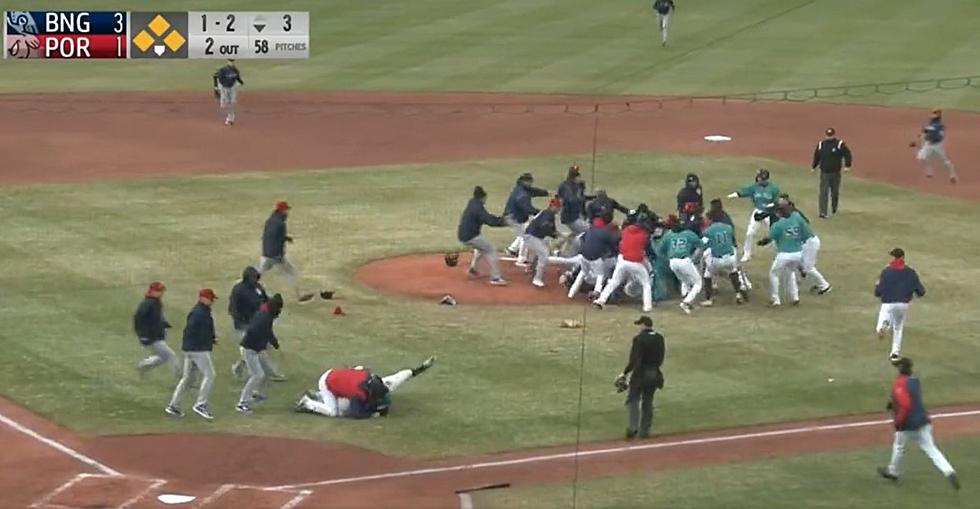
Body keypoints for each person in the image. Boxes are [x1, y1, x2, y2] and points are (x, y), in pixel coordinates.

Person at [878, 357, 959, 490]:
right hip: (923, 420)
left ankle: (893, 471)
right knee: (931, 449)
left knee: (899, 447)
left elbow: (905, 404)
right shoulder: (915, 381)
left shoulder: (899, 383)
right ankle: (948, 471)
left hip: (907, 423)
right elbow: (911, 398)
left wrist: (898, 421)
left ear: (900, 368)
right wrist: (893, 404)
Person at [295, 357, 436, 418]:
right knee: (335, 412)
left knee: (357, 371)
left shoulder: (377, 382)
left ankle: (319, 396)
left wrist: (422, 367)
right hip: (327, 383)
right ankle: (308, 402)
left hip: (337, 375)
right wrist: (374, 414)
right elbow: (356, 413)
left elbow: (402, 375)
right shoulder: (358, 394)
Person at [166, 289, 218, 420]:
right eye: (210, 299)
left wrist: (211, 338)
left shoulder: (202, 311)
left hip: (190, 349)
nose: (212, 301)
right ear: (203, 298)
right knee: (210, 375)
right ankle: (200, 404)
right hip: (197, 349)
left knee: (187, 378)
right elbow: (191, 330)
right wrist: (204, 341)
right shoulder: (198, 313)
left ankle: (173, 405)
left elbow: (205, 329)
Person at [229, 267, 286, 382]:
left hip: (259, 322)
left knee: (253, 349)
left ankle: (239, 367)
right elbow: (233, 308)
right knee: (256, 350)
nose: (256, 279)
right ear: (247, 277)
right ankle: (270, 374)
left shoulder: (258, 288)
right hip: (245, 324)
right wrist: (240, 323)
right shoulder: (238, 290)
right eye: (254, 277)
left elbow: (265, 300)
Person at [615, 316, 665, 439]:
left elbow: (635, 359)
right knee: (648, 402)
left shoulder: (639, 339)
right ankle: (645, 431)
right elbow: (661, 358)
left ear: (644, 325)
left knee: (633, 400)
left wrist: (625, 373)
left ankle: (633, 428)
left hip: (641, 374)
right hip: (654, 373)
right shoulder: (659, 338)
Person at [593, 211, 653, 312]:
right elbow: (647, 248)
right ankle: (647, 307)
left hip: (622, 261)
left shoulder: (626, 231)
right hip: (635, 263)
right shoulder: (643, 235)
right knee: (646, 284)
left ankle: (601, 300)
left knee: (614, 282)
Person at [874, 248, 926, 362]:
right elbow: (921, 292)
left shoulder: (886, 272)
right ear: (903, 258)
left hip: (888, 303)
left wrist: (878, 287)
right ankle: (895, 353)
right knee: (898, 327)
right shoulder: (910, 272)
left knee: (882, 324)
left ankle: (884, 326)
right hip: (903, 304)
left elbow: (877, 292)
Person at [237, 293, 284, 414]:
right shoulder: (265, 317)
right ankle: (242, 402)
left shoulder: (264, 313)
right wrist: (271, 343)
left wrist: (271, 343)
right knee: (257, 374)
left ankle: (254, 393)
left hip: (254, 349)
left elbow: (266, 331)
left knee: (264, 372)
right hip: (249, 349)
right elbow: (263, 332)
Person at [757, 202, 809, 307]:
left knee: (774, 274)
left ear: (779, 213)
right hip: (797, 252)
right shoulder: (796, 219)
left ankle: (775, 299)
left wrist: (761, 243)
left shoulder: (779, 224)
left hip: (785, 254)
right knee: (790, 273)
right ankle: (795, 297)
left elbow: (769, 238)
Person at [457, 186, 511, 286]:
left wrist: (500, 219)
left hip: (464, 234)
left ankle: (474, 269)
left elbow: (487, 217)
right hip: (471, 236)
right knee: (491, 249)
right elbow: (489, 220)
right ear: (482, 197)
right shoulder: (477, 208)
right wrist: (503, 221)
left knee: (481, 248)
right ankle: (496, 277)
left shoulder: (473, 203)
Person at [258, 201, 311, 302]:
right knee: (291, 273)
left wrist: (286, 238)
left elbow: (271, 236)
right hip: (276, 255)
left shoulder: (270, 220)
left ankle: (241, 283)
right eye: (286, 210)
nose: (287, 212)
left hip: (266, 253)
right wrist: (280, 253)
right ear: (282, 210)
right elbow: (278, 238)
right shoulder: (281, 223)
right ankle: (299, 296)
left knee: (257, 274)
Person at [727, 168, 781, 262]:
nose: (758, 178)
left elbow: (777, 202)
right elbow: (743, 192)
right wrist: (733, 195)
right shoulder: (754, 187)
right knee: (749, 233)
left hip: (770, 213)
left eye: (760, 177)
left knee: (775, 234)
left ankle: (778, 254)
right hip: (758, 212)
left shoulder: (774, 189)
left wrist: (771, 206)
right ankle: (747, 254)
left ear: (764, 178)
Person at [134, 281, 180, 379]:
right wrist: (141, 334)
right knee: (171, 355)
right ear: (152, 291)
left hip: (156, 335)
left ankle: (143, 366)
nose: (162, 293)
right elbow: (138, 318)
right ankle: (180, 379)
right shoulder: (147, 303)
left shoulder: (156, 302)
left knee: (163, 357)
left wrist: (163, 324)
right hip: (150, 336)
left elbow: (155, 318)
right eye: (159, 291)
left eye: (162, 290)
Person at [701, 208, 746, 306]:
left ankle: (708, 299)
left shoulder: (708, 231)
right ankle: (738, 294)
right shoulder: (728, 227)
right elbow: (731, 241)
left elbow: (703, 244)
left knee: (707, 275)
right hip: (730, 257)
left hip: (717, 260)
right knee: (733, 271)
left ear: (710, 219)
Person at [658, 215, 702, 314]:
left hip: (672, 262)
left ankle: (686, 300)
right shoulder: (688, 234)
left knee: (685, 281)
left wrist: (667, 258)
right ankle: (686, 302)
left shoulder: (668, 235)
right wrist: (694, 258)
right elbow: (700, 245)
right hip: (684, 260)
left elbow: (660, 251)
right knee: (698, 283)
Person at [568, 214, 620, 298]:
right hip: (594, 257)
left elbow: (583, 239)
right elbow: (613, 245)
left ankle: (571, 293)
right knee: (600, 275)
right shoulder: (606, 232)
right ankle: (597, 292)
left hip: (583, 255)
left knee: (582, 273)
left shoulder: (591, 228)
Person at [504, 172, 549, 266]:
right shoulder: (521, 193)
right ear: (524, 181)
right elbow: (527, 208)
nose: (531, 183)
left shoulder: (523, 188)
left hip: (514, 216)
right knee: (526, 235)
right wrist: (539, 212)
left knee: (523, 233)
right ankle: (521, 259)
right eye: (529, 181)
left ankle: (512, 249)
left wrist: (546, 193)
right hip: (513, 217)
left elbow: (534, 191)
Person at [811, 127, 853, 218]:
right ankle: (823, 212)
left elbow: (847, 154)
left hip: (835, 173)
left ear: (834, 135)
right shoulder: (821, 144)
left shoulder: (839, 144)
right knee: (823, 192)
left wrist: (847, 165)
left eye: (830, 135)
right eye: (827, 135)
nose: (829, 137)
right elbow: (817, 156)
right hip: (824, 173)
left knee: (835, 192)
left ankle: (834, 209)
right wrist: (814, 167)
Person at [524, 196, 562, 288]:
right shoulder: (547, 214)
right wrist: (555, 235)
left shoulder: (548, 213)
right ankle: (537, 279)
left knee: (541, 252)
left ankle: (531, 269)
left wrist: (558, 234)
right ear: (553, 206)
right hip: (531, 237)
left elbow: (552, 229)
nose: (559, 209)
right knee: (544, 254)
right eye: (558, 207)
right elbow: (544, 227)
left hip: (534, 236)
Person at [914, 108, 957, 183]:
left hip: (938, 145)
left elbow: (930, 129)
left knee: (944, 161)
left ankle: (952, 175)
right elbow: (925, 132)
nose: (932, 115)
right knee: (921, 158)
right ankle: (929, 170)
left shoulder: (940, 124)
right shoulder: (930, 121)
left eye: (935, 114)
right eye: (933, 113)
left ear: (939, 115)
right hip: (928, 143)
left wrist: (924, 130)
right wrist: (920, 137)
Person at [556, 164, 593, 239]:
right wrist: (582, 197)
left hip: (578, 215)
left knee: (579, 234)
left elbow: (581, 198)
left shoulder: (578, 185)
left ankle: (566, 242)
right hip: (571, 217)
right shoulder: (565, 186)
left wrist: (592, 197)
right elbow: (571, 200)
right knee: (590, 231)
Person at [212, 58, 244, 125]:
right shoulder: (223, 70)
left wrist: (241, 82)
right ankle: (230, 115)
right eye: (230, 61)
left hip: (232, 87)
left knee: (232, 103)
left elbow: (237, 77)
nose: (231, 63)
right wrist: (216, 89)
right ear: (227, 61)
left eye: (232, 61)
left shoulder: (235, 70)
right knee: (224, 105)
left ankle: (230, 118)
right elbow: (217, 78)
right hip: (224, 88)